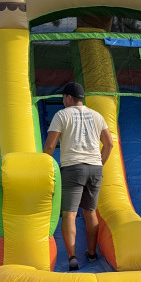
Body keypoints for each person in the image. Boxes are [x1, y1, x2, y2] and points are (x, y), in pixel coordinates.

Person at [43, 82, 113, 270]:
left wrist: (44, 166)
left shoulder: (62, 115)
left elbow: (50, 146)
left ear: (68, 98)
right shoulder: (97, 116)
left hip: (73, 168)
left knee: (70, 213)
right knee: (90, 212)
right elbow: (109, 144)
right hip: (95, 168)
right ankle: (92, 253)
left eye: (63, 97)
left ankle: (72, 257)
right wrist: (99, 164)